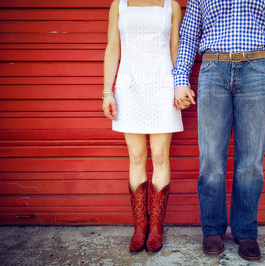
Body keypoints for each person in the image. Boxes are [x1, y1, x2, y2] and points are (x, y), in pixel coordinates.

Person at [173, 0, 265, 261]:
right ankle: (212, 230)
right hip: (213, 69)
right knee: (210, 160)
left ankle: (245, 232)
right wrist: (180, 80)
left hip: (255, 70)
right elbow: (188, 35)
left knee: (251, 162)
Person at [102, 0, 183, 253]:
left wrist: (180, 86)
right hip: (130, 86)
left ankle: (156, 228)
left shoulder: (172, 6)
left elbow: (175, 51)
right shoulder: (119, 5)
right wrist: (107, 92)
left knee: (160, 156)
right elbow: (113, 48)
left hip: (162, 85)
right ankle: (140, 227)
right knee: (136, 156)